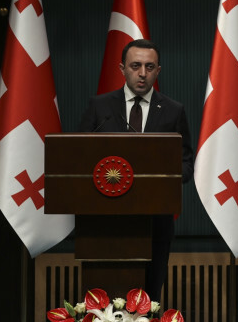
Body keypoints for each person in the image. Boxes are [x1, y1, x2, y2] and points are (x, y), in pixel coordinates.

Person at [79, 39, 194, 302]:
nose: (142, 73)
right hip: (104, 225)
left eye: (149, 66)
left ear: (158, 71)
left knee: (149, 299)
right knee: (102, 301)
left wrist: (163, 180)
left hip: (156, 224)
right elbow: (80, 157)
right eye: (135, 65)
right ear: (122, 68)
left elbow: (186, 163)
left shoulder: (173, 111)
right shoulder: (100, 108)